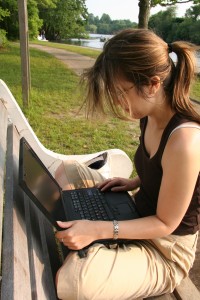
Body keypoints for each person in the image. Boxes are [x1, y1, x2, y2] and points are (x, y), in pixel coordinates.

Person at [55, 29, 200, 300]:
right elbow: (163, 172)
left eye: (121, 92)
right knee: (69, 172)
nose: (117, 102)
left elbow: (166, 223)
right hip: (137, 216)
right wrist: (136, 181)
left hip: (165, 252)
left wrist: (100, 228)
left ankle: (97, 247)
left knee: (74, 283)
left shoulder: (186, 141)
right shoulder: (149, 113)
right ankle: (98, 244)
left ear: (153, 84)